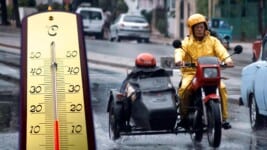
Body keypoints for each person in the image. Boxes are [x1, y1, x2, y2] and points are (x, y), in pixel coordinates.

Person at [174, 13, 233, 129]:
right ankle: (183, 117)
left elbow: (222, 51)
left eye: (202, 27)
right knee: (184, 89)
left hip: (210, 73)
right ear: (192, 29)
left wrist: (228, 60)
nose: (200, 30)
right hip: (191, 73)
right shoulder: (186, 42)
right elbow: (179, 51)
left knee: (222, 87)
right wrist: (179, 60)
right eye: (197, 27)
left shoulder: (213, 41)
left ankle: (224, 118)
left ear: (205, 27)